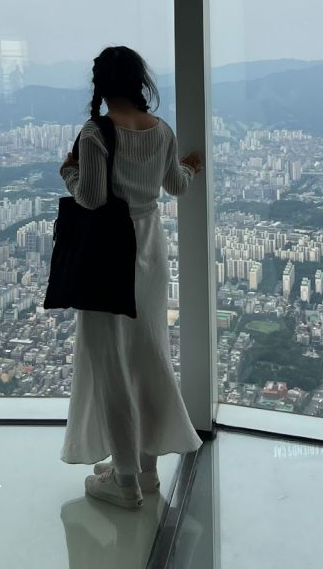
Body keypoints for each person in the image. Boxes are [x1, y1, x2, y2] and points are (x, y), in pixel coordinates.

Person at [58, 45, 204, 509]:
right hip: (150, 249)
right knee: (146, 352)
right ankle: (145, 468)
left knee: (109, 361)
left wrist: (68, 172)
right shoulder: (160, 129)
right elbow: (176, 186)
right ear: (140, 81)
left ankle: (123, 481)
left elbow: (94, 198)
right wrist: (190, 168)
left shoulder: (95, 132)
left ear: (100, 84)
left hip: (107, 255)